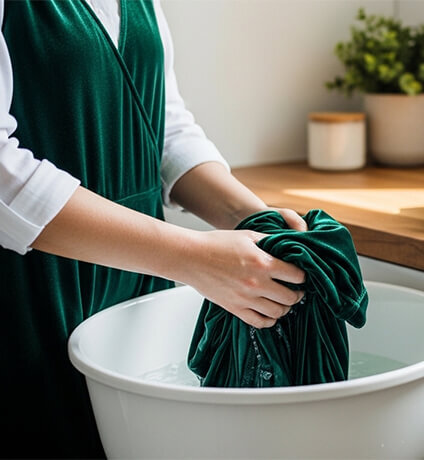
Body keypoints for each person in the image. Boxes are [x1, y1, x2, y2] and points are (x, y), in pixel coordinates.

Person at [0, 0, 307, 457]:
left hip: (139, 286)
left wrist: (253, 220)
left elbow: (164, 127)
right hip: (31, 291)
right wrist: (194, 257)